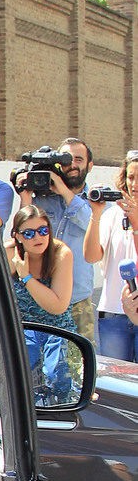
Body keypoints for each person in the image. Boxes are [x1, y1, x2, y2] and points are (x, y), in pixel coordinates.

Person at [19, 137, 95, 342]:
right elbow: (22, 235)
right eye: (67, 159)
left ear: (90, 165)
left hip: (77, 302)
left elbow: (91, 225)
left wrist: (63, 189)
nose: (72, 165)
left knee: (79, 368)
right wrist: (25, 197)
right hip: (38, 299)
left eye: (78, 159)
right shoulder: (41, 199)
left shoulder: (95, 201)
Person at [6, 204, 76, 404]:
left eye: (43, 231)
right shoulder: (8, 254)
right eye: (29, 233)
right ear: (17, 236)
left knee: (60, 388)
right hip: (23, 332)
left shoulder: (61, 253)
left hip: (58, 332)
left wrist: (26, 277)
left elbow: (57, 306)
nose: (38, 237)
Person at [83, 150, 138, 363]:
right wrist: (96, 215)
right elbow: (90, 256)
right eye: (131, 177)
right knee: (118, 383)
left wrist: (135, 224)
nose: (134, 184)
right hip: (113, 314)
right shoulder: (113, 215)